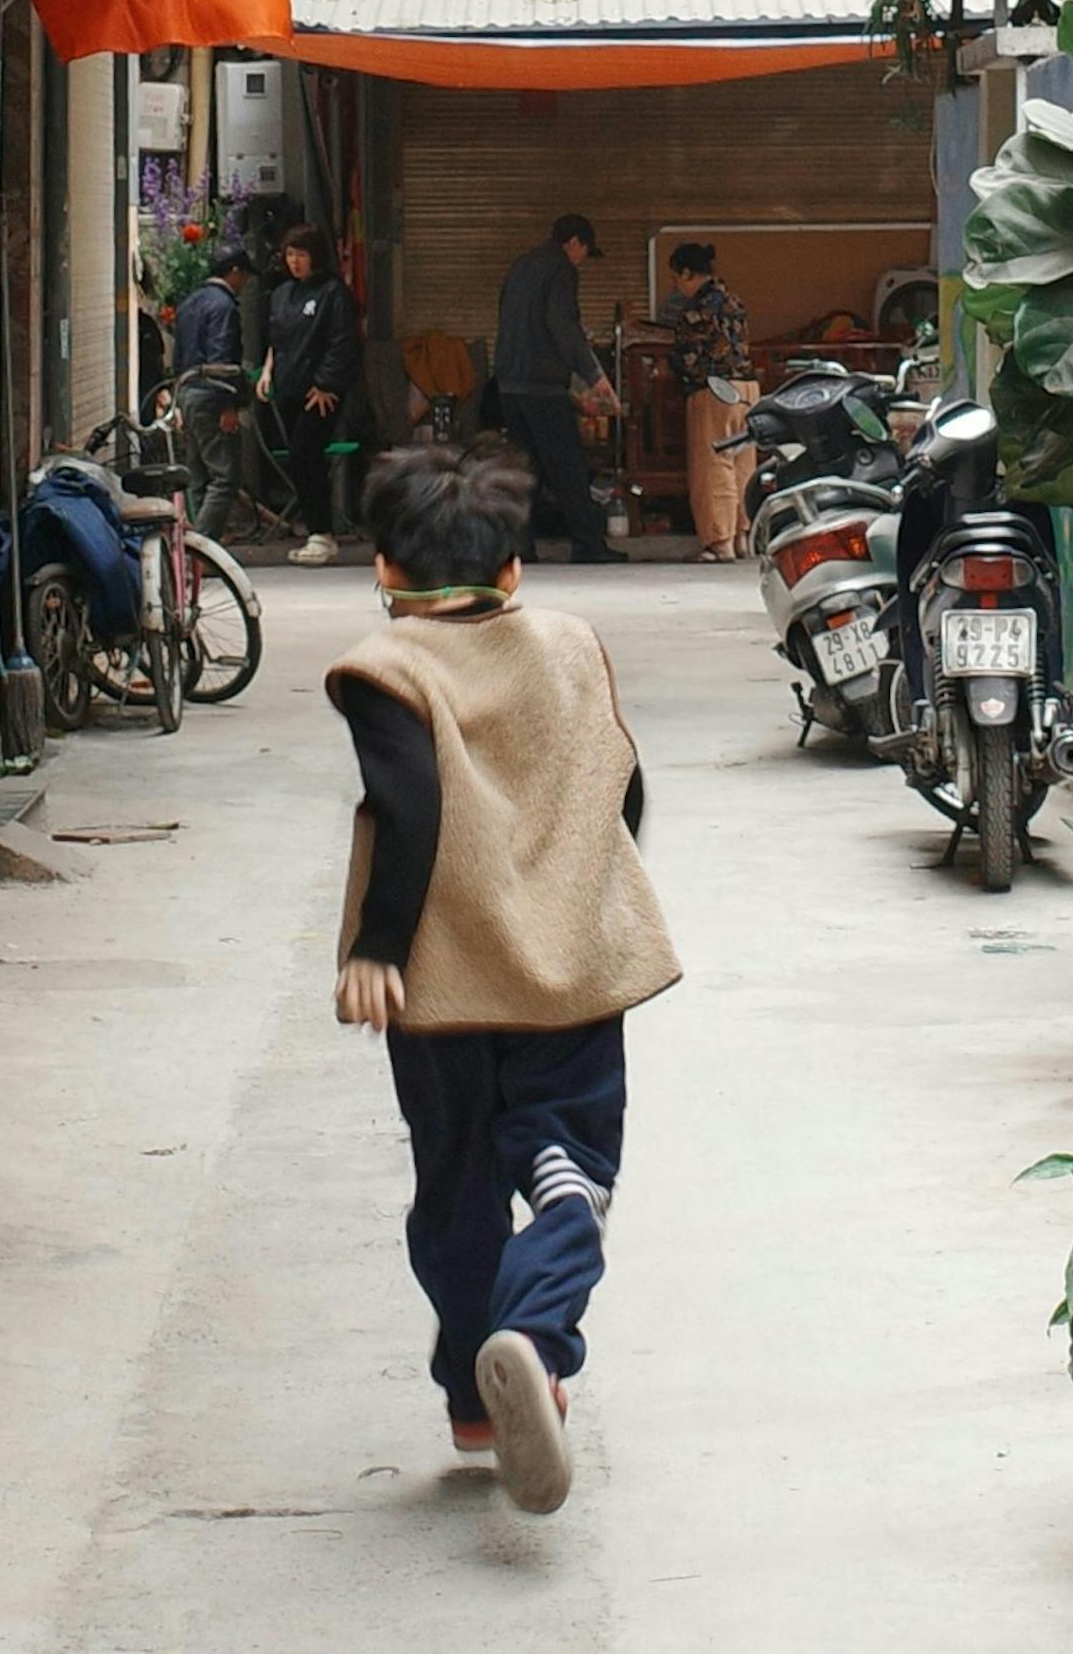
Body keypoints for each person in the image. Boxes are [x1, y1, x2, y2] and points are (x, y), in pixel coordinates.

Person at [327, 444, 679, 1515]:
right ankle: (534, 1331)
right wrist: (585, 890)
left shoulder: (387, 668)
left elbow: (410, 808)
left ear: (385, 570)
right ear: (513, 570)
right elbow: (621, 788)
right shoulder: (571, 646)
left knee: (456, 1181)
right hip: (569, 973)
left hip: (441, 987)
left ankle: (474, 1393)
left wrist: (378, 947)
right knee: (569, 1160)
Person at [494, 213, 621, 564]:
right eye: (585, 251)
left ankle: (520, 546)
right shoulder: (561, 269)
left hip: (510, 384)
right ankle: (588, 544)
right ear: (574, 242)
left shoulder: (520, 266)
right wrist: (595, 376)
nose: (582, 259)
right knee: (567, 466)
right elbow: (563, 325)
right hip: (542, 386)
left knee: (524, 468)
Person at [262, 221, 363, 567]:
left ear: (316, 256)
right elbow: (276, 340)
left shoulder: (333, 293)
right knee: (300, 459)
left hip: (319, 393)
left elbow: (342, 342)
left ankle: (322, 532)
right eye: (290, 254)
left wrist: (326, 384)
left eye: (301, 254)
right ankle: (317, 532)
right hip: (289, 388)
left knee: (307, 454)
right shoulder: (282, 294)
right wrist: (267, 371)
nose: (295, 261)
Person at [660, 242, 757, 561]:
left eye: (676, 277)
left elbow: (686, 356)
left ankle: (719, 542)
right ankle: (743, 537)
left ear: (687, 273)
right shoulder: (733, 301)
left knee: (714, 465)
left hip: (714, 390)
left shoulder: (696, 309)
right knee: (742, 464)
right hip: (747, 388)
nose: (676, 284)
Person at [172, 239, 256, 540]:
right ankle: (203, 545)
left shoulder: (189, 303)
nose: (245, 283)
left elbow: (179, 356)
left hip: (187, 392)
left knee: (197, 475)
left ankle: (193, 544)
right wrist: (229, 404)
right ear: (234, 272)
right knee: (224, 476)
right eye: (244, 275)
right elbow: (222, 361)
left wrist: (178, 402)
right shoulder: (224, 306)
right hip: (211, 395)